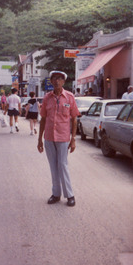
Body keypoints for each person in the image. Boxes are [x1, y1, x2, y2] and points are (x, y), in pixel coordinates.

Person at [37, 70, 80, 207]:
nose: (56, 81)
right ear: (51, 81)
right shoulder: (47, 98)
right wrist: (39, 140)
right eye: (54, 78)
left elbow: (74, 119)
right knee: (53, 166)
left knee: (63, 165)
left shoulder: (69, 97)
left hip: (63, 137)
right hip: (49, 137)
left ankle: (70, 195)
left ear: (64, 81)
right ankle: (56, 194)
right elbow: (43, 119)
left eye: (59, 79)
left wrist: (73, 139)